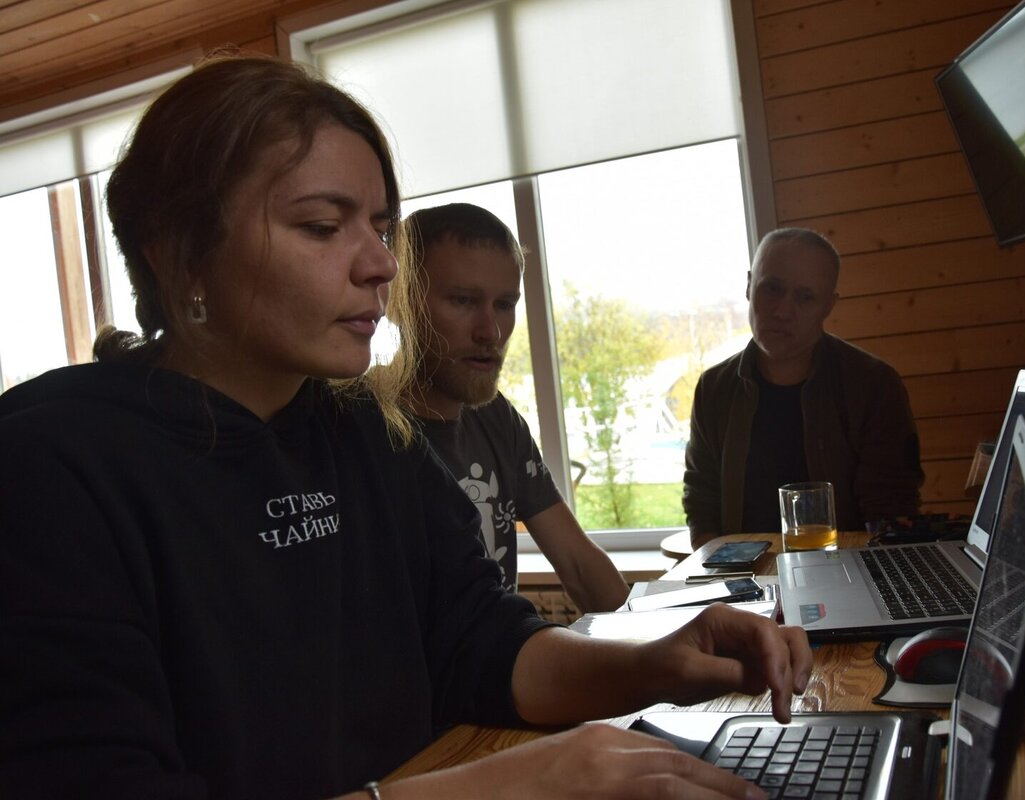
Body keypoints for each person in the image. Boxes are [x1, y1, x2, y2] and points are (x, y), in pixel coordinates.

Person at [0, 52, 813, 800]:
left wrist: (656, 663)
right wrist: (509, 786)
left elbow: (482, 645)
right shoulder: (51, 463)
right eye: (324, 226)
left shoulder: (360, 430)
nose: (382, 264)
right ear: (180, 255)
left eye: (381, 227)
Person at [400, 203, 628, 612]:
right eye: (463, 301)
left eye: (505, 304)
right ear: (400, 303)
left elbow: (577, 564)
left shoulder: (495, 417)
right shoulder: (364, 429)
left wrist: (653, 644)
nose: (491, 331)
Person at [683, 228, 923, 548]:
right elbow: (701, 501)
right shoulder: (714, 389)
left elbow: (889, 512)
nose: (782, 311)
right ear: (748, 286)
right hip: (743, 584)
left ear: (828, 306)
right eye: (771, 288)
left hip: (849, 574)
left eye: (805, 297)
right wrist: (721, 574)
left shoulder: (874, 385)